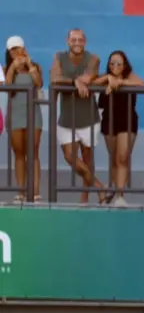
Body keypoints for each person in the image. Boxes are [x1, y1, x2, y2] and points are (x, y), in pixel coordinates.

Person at [50, 29, 106, 203]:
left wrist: (75, 80)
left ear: (85, 41)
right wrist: (75, 81)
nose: (77, 42)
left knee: (88, 158)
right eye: (73, 39)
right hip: (67, 117)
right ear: (67, 41)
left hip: (88, 116)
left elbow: (88, 77)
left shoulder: (93, 58)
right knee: (70, 156)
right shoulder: (59, 57)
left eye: (80, 39)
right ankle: (99, 186)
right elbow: (55, 78)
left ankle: (85, 197)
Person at [94, 50, 142, 206]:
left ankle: (120, 195)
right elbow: (92, 84)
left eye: (119, 63)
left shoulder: (130, 77)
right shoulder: (104, 78)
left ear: (124, 65)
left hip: (127, 121)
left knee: (123, 156)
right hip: (109, 121)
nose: (115, 66)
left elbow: (141, 84)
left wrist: (120, 83)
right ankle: (116, 190)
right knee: (114, 158)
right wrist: (109, 79)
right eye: (112, 63)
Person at [6, 37, 43, 203]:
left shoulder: (34, 66)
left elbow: (39, 83)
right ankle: (21, 191)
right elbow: (7, 87)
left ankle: (34, 192)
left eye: (18, 48)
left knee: (33, 153)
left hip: (33, 114)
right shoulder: (6, 68)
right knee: (19, 154)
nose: (16, 52)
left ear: (24, 49)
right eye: (12, 50)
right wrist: (13, 68)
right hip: (15, 115)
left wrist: (29, 65)